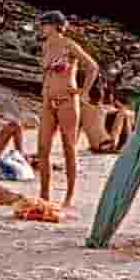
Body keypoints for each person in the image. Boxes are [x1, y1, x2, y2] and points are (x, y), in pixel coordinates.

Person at [34, 24, 101, 212]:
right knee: (42, 147)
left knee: (68, 147)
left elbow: (93, 67)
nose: (41, 28)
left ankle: (69, 196)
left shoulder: (69, 44)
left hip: (67, 102)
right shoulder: (46, 46)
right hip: (48, 101)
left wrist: (84, 92)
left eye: (44, 25)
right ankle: (44, 194)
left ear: (54, 26)